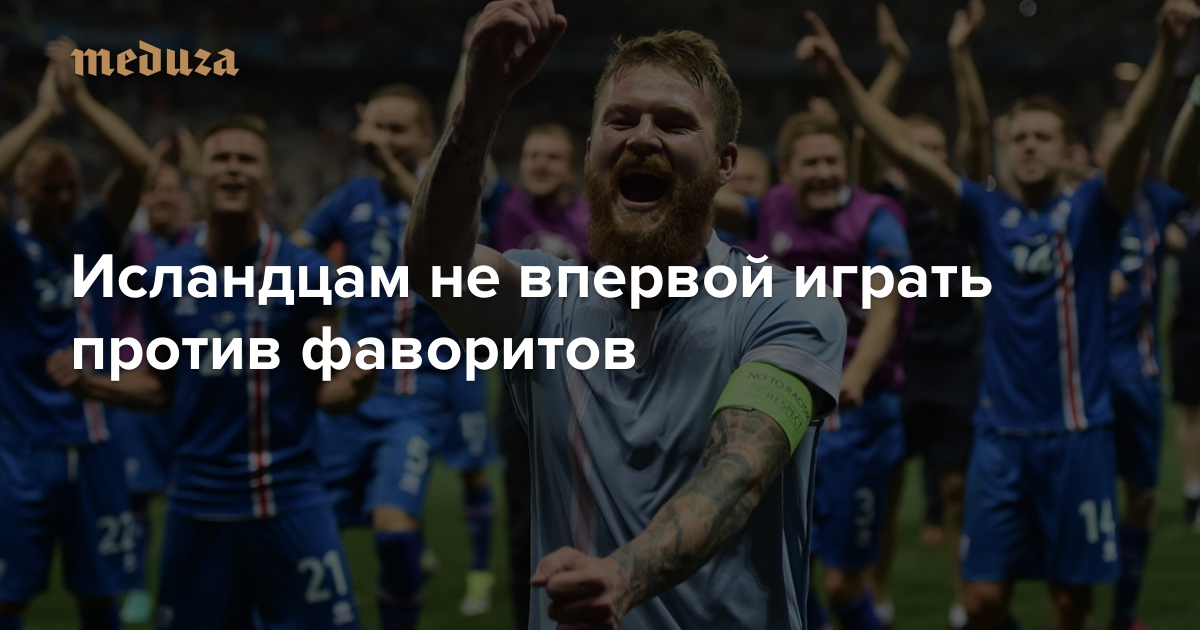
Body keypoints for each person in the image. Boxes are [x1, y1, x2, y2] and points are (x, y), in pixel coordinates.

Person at [405, 1, 847, 628]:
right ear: (592, 152)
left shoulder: (785, 306)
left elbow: (739, 474)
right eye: (621, 120)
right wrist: (479, 106)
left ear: (725, 163)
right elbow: (433, 265)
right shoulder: (545, 300)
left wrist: (624, 575)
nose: (642, 137)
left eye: (675, 123)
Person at [796, 1, 1197, 627]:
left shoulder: (1091, 211)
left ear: (1068, 151)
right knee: (982, 601)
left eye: (1043, 137)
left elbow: (1134, 139)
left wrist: (1168, 51)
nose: (1029, 145)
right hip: (999, 438)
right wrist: (841, 78)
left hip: (1077, 435)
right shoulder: (988, 214)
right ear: (1005, 149)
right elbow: (903, 149)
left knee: (1070, 604)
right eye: (1020, 137)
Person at [47, 115, 372, 630]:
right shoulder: (161, 277)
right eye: (221, 159)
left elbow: (328, 392)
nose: (233, 169)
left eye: (247, 160)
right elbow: (161, 387)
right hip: (197, 504)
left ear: (268, 180)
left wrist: (360, 380)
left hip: (288, 499)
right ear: (199, 178)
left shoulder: (307, 273)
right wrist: (90, 383)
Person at [292, 80, 499, 626]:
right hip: (349, 393)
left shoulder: (452, 193)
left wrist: (385, 161)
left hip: (418, 392)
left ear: (426, 136)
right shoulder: (350, 199)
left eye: (397, 130)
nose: (384, 139)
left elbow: (449, 232)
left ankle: (464, 577)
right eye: (377, 128)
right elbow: (290, 256)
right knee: (311, 533)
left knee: (395, 535)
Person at [0, 39, 151, 630]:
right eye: (50, 189)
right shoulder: (9, 249)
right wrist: (44, 113)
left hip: (94, 441)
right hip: (20, 447)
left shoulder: (94, 235)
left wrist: (81, 99)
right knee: (8, 598)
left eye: (70, 188)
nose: (64, 199)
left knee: (100, 596)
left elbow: (139, 167)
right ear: (23, 191)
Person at [749, 110, 911, 630]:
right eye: (810, 163)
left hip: (858, 415)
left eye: (832, 161)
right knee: (784, 570)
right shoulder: (771, 209)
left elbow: (887, 309)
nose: (824, 173)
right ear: (786, 172)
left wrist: (854, 377)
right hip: (786, 408)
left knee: (843, 584)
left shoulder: (877, 219)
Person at [864, 4, 988, 628]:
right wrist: (894, 65)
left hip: (957, 361)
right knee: (888, 490)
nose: (932, 156)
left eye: (940, 148)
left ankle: (964, 600)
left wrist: (961, 55)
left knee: (959, 489)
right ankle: (880, 597)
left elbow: (978, 128)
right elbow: (864, 135)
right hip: (896, 365)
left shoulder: (966, 207)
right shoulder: (880, 205)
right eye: (919, 148)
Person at [490, 120, 591, 630]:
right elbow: (460, 154)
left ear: (573, 169)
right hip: (519, 391)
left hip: (584, 389)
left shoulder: (594, 219)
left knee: (589, 516)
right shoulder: (503, 206)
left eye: (553, 157)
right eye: (532, 155)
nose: (540, 164)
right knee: (523, 523)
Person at [1093, 106, 1191, 630]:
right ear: (1098, 155)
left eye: (1138, 145)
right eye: (1119, 145)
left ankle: (1125, 614)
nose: (1131, 154)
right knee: (1086, 504)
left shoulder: (1157, 200)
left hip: (1140, 376)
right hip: (1084, 379)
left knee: (1143, 497)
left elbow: (1187, 162)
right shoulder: (1080, 205)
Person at [109, 130, 198, 625]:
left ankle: (180, 587)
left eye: (173, 189)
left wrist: (196, 166)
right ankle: (137, 588)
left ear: (189, 199)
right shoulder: (129, 245)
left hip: (192, 389)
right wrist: (145, 168)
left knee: (193, 494)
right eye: (154, 190)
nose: (164, 197)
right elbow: (115, 210)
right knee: (136, 495)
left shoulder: (203, 243)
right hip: (136, 386)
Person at [1163, 74, 1200, 533]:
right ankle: (1194, 493)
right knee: (1190, 405)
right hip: (1190, 318)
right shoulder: (1181, 196)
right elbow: (1176, 169)